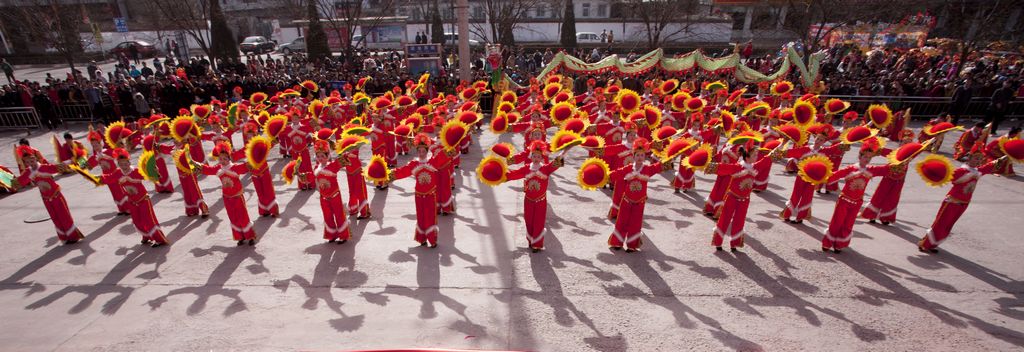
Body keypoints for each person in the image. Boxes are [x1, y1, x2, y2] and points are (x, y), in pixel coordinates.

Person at [919, 143, 1004, 253]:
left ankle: (933, 244)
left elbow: (989, 167)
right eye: (976, 158)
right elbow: (947, 176)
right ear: (969, 158)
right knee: (940, 224)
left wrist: (1004, 157)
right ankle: (924, 244)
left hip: (964, 203)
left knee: (948, 225)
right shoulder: (961, 171)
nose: (978, 161)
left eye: (980, 159)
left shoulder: (977, 171)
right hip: (952, 202)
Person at [821, 139, 889, 253]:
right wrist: (819, 175)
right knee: (837, 222)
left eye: (869, 158)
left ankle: (839, 244)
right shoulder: (850, 168)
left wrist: (900, 161)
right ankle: (827, 243)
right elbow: (835, 175)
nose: (867, 160)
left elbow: (886, 169)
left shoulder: (871, 169)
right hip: (844, 200)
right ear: (859, 157)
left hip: (857, 202)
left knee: (848, 224)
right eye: (865, 157)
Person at [709, 140, 776, 252]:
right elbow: (721, 167)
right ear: (747, 156)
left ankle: (734, 243)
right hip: (732, 198)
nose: (756, 156)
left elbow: (767, 159)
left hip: (745, 200)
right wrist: (706, 164)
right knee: (725, 219)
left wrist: (782, 144)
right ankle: (718, 242)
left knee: (739, 221)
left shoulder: (755, 166)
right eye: (754, 155)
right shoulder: (737, 167)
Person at [389, 134, 451, 248]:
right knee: (421, 216)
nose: (421, 153)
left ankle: (432, 239)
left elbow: (444, 155)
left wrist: (440, 144)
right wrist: (390, 175)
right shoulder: (414, 164)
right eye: (419, 151)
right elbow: (403, 171)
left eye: (423, 151)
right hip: (418, 195)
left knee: (430, 216)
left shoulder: (433, 162)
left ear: (427, 151)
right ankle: (422, 238)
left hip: (431, 195)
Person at [15, 145, 85, 244]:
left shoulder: (44, 168)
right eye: (27, 162)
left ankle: (73, 236)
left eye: (32, 161)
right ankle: (64, 237)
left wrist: (71, 161)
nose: (30, 164)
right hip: (46, 199)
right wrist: (12, 182)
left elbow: (57, 167)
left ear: (35, 159)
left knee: (64, 215)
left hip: (56, 195)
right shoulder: (28, 172)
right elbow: (20, 181)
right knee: (55, 218)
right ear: (25, 163)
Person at [505, 141, 565, 252]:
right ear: (531, 156)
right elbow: (514, 174)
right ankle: (530, 240)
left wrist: (563, 152)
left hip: (541, 200)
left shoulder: (546, 168)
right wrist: (502, 175)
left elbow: (555, 163)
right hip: (528, 200)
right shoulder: (526, 168)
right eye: (534, 156)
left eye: (538, 156)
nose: (536, 158)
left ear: (542, 158)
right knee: (528, 220)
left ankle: (537, 244)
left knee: (539, 221)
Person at [607, 138, 664, 252]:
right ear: (633, 156)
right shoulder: (628, 168)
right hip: (626, 200)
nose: (639, 157)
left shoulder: (648, 169)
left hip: (640, 202)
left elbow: (659, 166)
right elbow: (616, 174)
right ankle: (617, 243)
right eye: (637, 155)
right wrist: (604, 176)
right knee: (621, 221)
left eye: (642, 155)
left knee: (635, 223)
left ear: (645, 157)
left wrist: (670, 158)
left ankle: (632, 245)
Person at [200, 142, 257, 246]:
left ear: (229, 158)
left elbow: (246, 166)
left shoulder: (235, 167)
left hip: (237, 196)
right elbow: (207, 169)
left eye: (225, 159)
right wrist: (193, 164)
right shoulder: (218, 168)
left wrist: (254, 156)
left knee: (243, 216)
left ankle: (250, 236)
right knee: (233, 217)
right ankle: (239, 236)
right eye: (220, 159)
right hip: (227, 197)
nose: (223, 161)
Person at [112, 148, 169, 247]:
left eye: (125, 164)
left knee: (149, 220)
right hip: (132, 201)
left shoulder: (137, 171)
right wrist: (94, 178)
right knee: (137, 221)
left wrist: (155, 170)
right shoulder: (117, 173)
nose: (123, 166)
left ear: (129, 162)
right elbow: (107, 178)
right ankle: (146, 236)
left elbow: (154, 176)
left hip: (143, 199)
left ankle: (159, 239)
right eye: (121, 164)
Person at [312, 140, 352, 244]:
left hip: (335, 195)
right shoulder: (316, 167)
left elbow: (342, 160)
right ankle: (331, 234)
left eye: (323, 156)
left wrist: (346, 153)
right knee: (327, 216)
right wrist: (301, 174)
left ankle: (343, 236)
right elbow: (312, 178)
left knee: (339, 214)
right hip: (323, 197)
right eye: (318, 156)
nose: (320, 158)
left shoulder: (333, 165)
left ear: (328, 155)